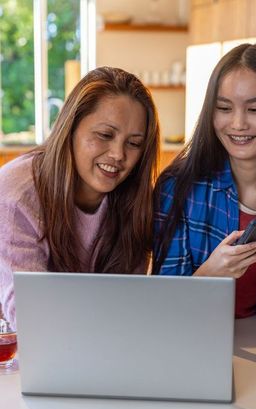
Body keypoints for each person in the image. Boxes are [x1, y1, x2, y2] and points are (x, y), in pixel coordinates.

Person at [153, 43, 256, 325]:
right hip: (195, 337)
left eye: (255, 109)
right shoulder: (177, 188)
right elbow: (163, 305)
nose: (238, 123)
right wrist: (212, 271)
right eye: (224, 108)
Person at [0, 66, 160, 328]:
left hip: (103, 348)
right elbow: (31, 318)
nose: (118, 155)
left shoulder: (134, 199)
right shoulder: (15, 195)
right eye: (105, 135)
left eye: (133, 143)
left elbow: (131, 304)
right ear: (70, 127)